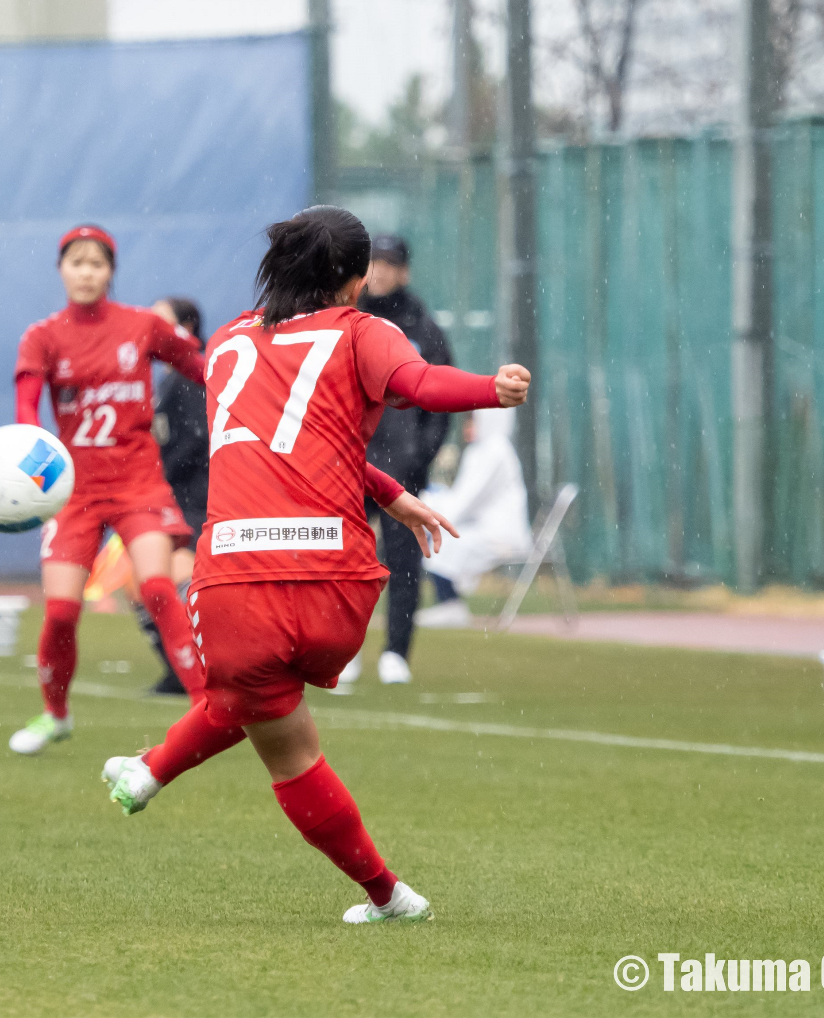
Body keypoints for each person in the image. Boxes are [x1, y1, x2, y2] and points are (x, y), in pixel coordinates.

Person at [100, 206, 531, 924]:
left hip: (236, 585)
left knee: (282, 740)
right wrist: (493, 388)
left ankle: (388, 894)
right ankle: (147, 771)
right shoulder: (364, 332)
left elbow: (279, 441)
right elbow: (420, 387)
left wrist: (389, 493)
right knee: (255, 701)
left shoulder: (233, 342)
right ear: (357, 279)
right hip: (337, 589)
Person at [7, 225, 208, 755]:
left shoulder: (141, 325)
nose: (87, 271)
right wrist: (31, 455)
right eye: (77, 262)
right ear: (62, 270)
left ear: (110, 272)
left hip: (137, 482)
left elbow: (201, 366)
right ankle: (56, 714)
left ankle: (205, 711)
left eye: (97, 263)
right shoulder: (43, 337)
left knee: (158, 588)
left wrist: (246, 387)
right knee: (61, 612)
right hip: (72, 490)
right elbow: (27, 411)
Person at [339, 234, 453, 687]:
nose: (380, 272)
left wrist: (417, 454)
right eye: (374, 263)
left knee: (404, 561)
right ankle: (343, 650)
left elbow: (440, 397)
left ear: (404, 271)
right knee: (347, 559)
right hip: (350, 462)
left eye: (389, 263)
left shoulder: (423, 327)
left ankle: (395, 653)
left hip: (401, 469)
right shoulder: (347, 320)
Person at [131, 297, 209, 697]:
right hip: (172, 498)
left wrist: (158, 469)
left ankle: (197, 671)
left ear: (185, 329)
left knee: (168, 586)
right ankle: (180, 668)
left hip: (195, 501)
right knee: (145, 586)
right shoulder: (167, 378)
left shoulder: (189, 376)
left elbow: (198, 438)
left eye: (160, 320)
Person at [416, 408, 532, 628]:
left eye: (472, 421)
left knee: (445, 540)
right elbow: (462, 498)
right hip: (482, 529)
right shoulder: (479, 451)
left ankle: (451, 605)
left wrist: (432, 508)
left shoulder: (496, 451)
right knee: (445, 537)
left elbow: (466, 501)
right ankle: (450, 605)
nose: (467, 427)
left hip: (501, 535)